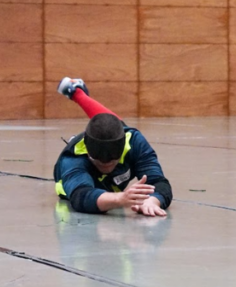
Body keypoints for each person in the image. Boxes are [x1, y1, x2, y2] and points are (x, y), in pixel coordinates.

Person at [53, 77, 173, 217]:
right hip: (83, 180)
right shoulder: (73, 158)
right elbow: (81, 196)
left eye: (112, 161)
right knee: (108, 127)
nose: (106, 166)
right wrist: (120, 199)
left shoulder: (133, 141)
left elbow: (159, 182)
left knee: (111, 125)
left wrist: (153, 201)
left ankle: (77, 92)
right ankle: (76, 92)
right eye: (99, 162)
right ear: (89, 152)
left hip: (115, 142)